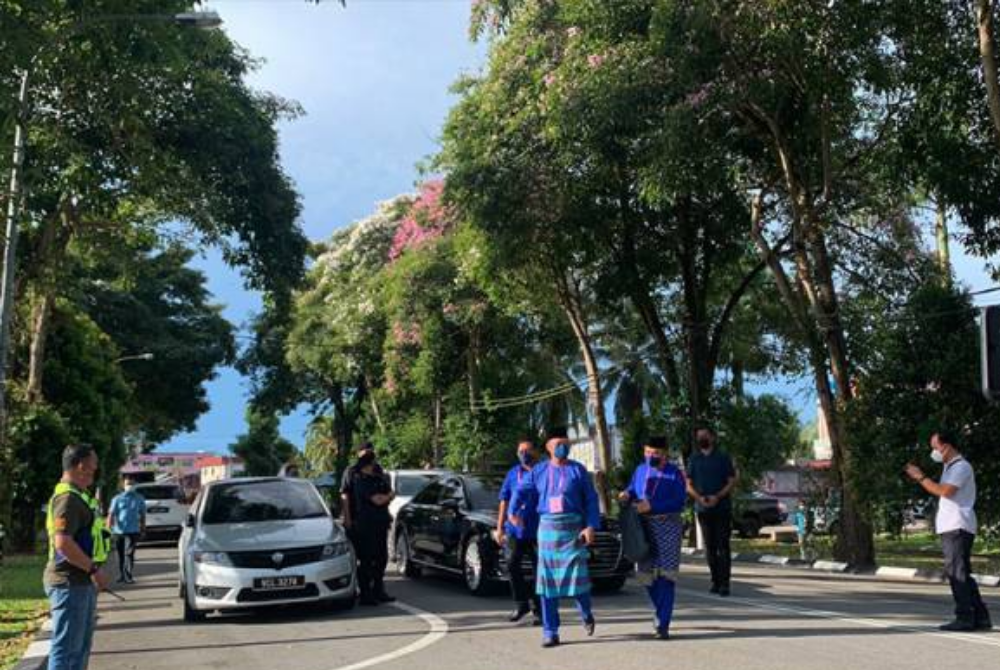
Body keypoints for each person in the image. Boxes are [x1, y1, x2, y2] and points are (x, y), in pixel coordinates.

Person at [510, 427, 599, 648]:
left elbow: (591, 500)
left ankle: (586, 612)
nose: (563, 448)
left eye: (566, 444)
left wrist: (590, 526)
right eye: (558, 444)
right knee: (547, 585)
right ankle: (551, 632)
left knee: (578, 582)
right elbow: (519, 491)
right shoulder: (538, 471)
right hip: (548, 529)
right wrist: (513, 513)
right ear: (549, 447)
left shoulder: (578, 470)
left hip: (573, 530)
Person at [905, 431, 992, 632]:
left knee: (957, 573)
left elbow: (945, 491)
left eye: (936, 447)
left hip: (958, 525)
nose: (933, 452)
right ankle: (980, 616)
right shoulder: (949, 467)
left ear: (948, 446)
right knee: (963, 573)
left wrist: (921, 477)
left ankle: (964, 617)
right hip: (954, 526)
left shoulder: (961, 467)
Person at [44, 444, 111, 670]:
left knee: (79, 648)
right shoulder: (68, 499)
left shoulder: (78, 496)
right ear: (81, 465)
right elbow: (63, 543)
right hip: (69, 582)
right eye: (93, 465)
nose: (96, 469)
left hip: (79, 582)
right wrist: (94, 569)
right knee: (67, 650)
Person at [619, 436, 687, 640]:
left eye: (655, 453)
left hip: (667, 526)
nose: (651, 456)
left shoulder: (675, 474)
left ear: (665, 454)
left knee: (666, 576)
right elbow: (633, 488)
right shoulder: (640, 470)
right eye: (648, 452)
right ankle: (659, 611)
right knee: (645, 575)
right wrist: (626, 494)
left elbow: (679, 502)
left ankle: (663, 624)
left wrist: (654, 506)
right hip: (643, 526)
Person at [341, 444, 395, 606]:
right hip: (361, 520)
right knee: (365, 559)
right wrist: (347, 518)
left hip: (380, 520)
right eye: (365, 452)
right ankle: (365, 592)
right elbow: (345, 495)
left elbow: (387, 491)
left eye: (370, 452)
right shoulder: (352, 472)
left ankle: (378, 589)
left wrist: (388, 499)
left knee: (381, 557)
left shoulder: (378, 471)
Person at [686, 426, 738, 596]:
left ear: (712, 438)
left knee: (723, 546)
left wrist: (718, 496)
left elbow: (731, 480)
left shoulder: (722, 457)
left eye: (705, 436)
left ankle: (725, 583)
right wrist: (699, 498)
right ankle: (715, 581)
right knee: (710, 547)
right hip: (702, 508)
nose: (702, 439)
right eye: (699, 436)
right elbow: (688, 483)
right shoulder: (694, 459)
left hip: (722, 508)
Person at [495, 439, 541, 625]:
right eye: (520, 451)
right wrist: (499, 528)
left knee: (540, 571)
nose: (524, 454)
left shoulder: (543, 471)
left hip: (537, 529)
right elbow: (504, 500)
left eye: (527, 450)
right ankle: (522, 603)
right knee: (512, 564)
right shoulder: (513, 474)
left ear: (535, 452)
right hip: (515, 530)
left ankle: (539, 609)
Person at [106, 478, 146, 584]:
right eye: (128, 484)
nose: (130, 486)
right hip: (119, 531)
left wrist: (143, 528)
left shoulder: (139, 498)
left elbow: (142, 514)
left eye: (132, 484)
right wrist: (108, 527)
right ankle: (121, 575)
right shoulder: (117, 499)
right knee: (120, 554)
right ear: (123, 485)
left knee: (129, 553)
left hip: (133, 530)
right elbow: (111, 514)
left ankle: (128, 575)